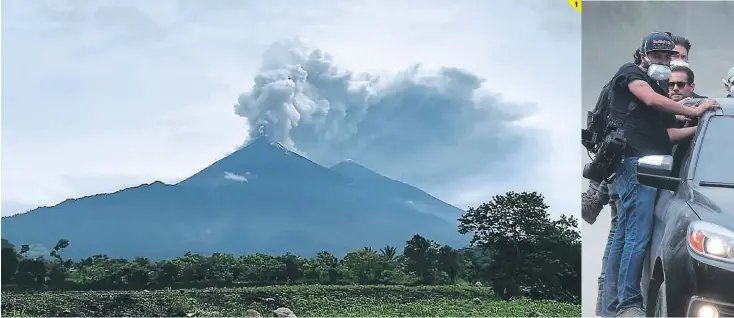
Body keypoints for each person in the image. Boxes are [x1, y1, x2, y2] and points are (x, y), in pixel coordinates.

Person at [600, 32, 720, 317]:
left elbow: (664, 133)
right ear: (643, 55)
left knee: (627, 234)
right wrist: (697, 108)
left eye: (668, 56)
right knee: (635, 234)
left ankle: (613, 307)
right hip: (634, 163)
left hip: (644, 161)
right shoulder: (631, 75)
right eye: (657, 56)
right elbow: (652, 101)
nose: (664, 61)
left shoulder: (655, 84)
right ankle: (628, 303)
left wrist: (696, 126)